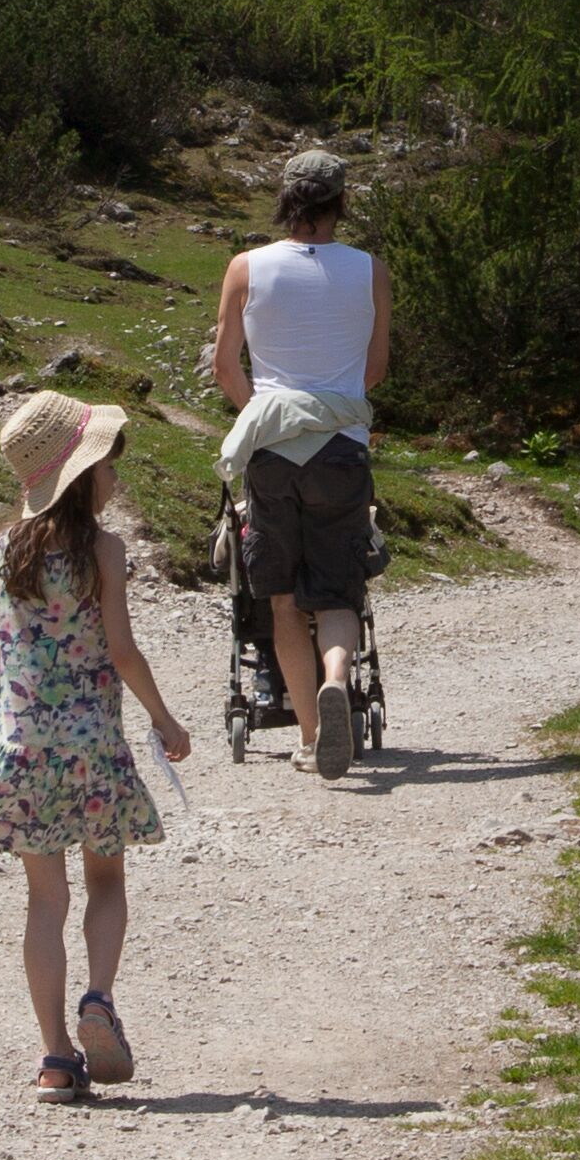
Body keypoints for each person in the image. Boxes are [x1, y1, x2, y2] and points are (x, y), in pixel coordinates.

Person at [0, 390, 194, 1102]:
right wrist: (165, 720)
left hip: (20, 745)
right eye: (108, 467)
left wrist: (27, 655)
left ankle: (56, 1057)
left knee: (44, 900)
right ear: (82, 475)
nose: (116, 480)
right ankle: (99, 999)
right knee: (108, 881)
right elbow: (121, 651)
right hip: (92, 744)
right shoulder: (105, 550)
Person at [208, 145, 389, 776]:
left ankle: (312, 737)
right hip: (341, 446)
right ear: (341, 202)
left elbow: (225, 366)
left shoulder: (246, 267)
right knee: (338, 588)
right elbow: (373, 370)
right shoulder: (370, 269)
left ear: (285, 199)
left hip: (274, 449)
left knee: (282, 598)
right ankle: (336, 678)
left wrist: (263, 414)